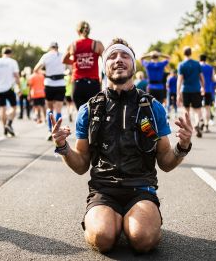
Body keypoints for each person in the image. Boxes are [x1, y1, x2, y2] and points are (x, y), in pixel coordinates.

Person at [51, 38, 193, 253]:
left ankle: (137, 221)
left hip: (141, 188)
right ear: (104, 67)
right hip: (103, 190)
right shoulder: (89, 109)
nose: (118, 60)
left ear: (134, 66)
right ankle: (111, 221)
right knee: (102, 238)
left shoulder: (152, 108)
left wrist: (182, 146)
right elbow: (81, 165)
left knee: (143, 239)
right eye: (112, 56)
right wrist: (63, 147)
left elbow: (165, 162)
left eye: (125, 55)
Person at [63, 21, 104, 110]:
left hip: (78, 85)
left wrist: (75, 61)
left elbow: (64, 60)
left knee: (82, 114)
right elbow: (106, 59)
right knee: (94, 115)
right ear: (89, 31)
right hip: (93, 84)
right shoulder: (97, 44)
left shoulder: (73, 45)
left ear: (78, 31)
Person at [35, 41, 66, 140]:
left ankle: (49, 130)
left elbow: (36, 69)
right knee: (58, 110)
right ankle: (56, 131)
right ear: (57, 47)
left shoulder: (46, 56)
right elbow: (70, 68)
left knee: (50, 109)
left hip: (49, 84)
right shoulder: (62, 55)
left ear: (50, 47)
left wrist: (46, 72)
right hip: (61, 83)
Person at [0, 47, 20, 137]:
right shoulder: (13, 62)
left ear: (2, 53)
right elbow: (16, 75)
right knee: (14, 107)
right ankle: (9, 123)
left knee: (2, 109)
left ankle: (4, 128)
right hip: (9, 88)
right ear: (10, 53)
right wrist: (19, 87)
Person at [177, 46, 205, 138]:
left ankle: (188, 129)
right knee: (197, 110)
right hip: (196, 89)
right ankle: (197, 123)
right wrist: (203, 88)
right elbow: (201, 77)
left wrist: (178, 93)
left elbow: (180, 80)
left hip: (185, 90)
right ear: (191, 53)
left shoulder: (181, 65)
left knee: (186, 110)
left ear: (184, 53)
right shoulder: (197, 64)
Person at [199, 55, 215, 133]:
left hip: (198, 89)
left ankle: (200, 121)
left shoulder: (198, 67)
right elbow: (213, 79)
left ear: (199, 59)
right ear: (206, 59)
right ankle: (206, 126)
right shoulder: (210, 67)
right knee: (207, 108)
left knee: (198, 108)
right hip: (208, 89)